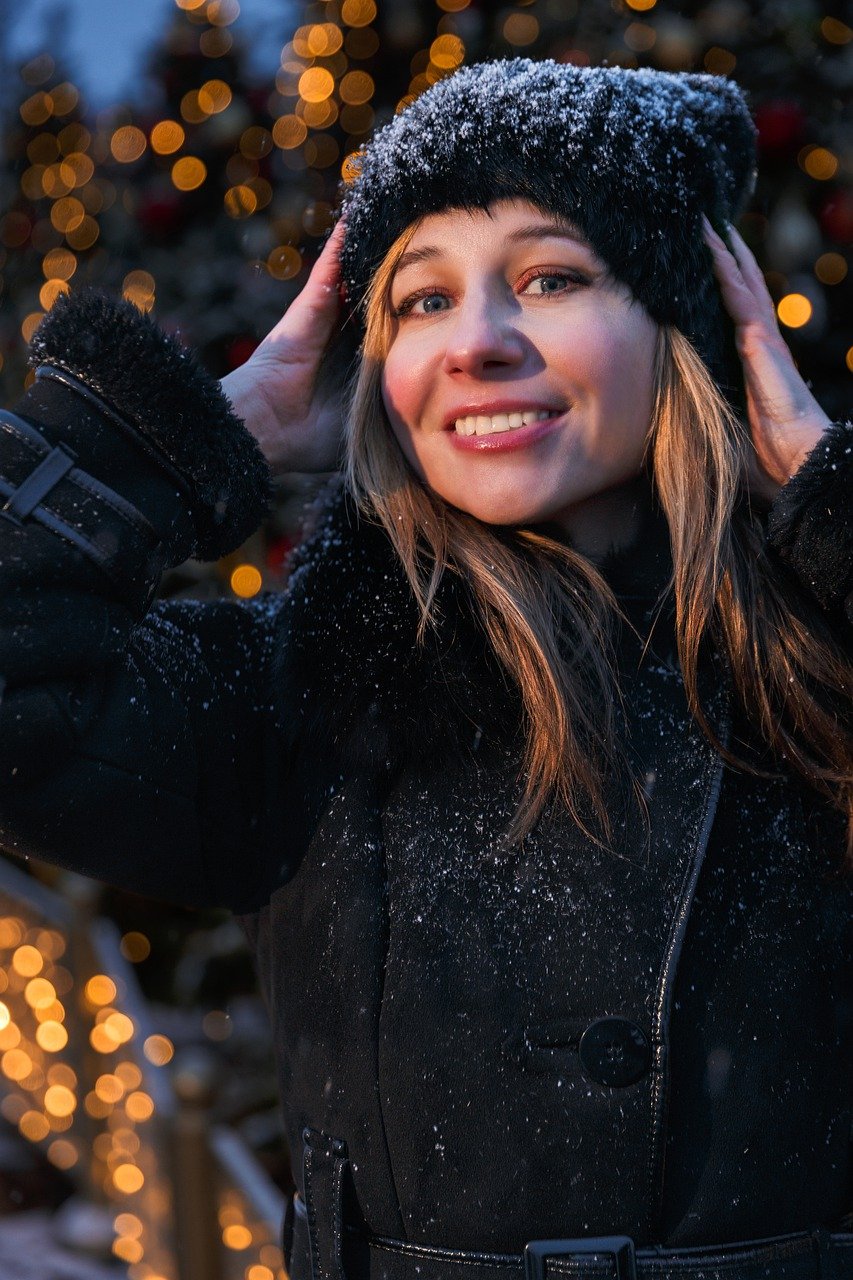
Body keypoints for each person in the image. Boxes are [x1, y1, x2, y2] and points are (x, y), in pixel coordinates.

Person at [0, 56, 851, 1279]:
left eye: (550, 277)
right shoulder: (299, 699)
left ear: (685, 326)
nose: (479, 344)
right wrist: (187, 435)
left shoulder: (820, 660)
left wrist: (828, 490)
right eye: (419, 301)